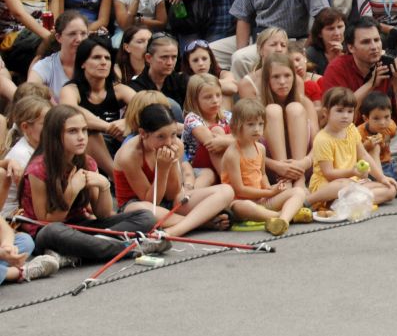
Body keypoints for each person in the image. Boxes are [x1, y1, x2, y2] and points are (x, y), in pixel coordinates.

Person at [19, 104, 161, 263]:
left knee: (145, 217)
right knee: (52, 231)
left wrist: (104, 186)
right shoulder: (38, 169)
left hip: (82, 227)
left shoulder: (87, 162)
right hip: (50, 232)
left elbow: (103, 214)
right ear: (55, 135)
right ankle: (130, 248)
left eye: (84, 130)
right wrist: (72, 191)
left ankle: (82, 250)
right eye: (72, 131)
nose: (81, 137)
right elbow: (46, 221)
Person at [112, 103, 235, 235]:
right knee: (144, 210)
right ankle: (202, 222)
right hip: (140, 206)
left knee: (226, 190)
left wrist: (170, 165)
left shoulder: (177, 145)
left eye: (173, 134)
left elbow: (173, 194)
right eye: (161, 136)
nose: (169, 142)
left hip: (168, 202)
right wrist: (162, 170)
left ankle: (177, 229)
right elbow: (152, 202)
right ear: (143, 134)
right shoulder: (129, 156)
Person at [220, 99, 308, 235]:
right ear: (237, 126)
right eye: (251, 124)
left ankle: (283, 221)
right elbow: (239, 190)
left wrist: (270, 188)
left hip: (261, 199)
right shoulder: (233, 154)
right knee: (245, 206)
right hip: (239, 202)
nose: (257, 129)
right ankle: (284, 215)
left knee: (299, 192)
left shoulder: (260, 148)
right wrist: (269, 193)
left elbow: (262, 174)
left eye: (260, 124)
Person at [307, 86, 397, 207]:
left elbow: (364, 155)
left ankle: (346, 202)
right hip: (329, 186)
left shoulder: (351, 129)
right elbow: (329, 173)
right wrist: (352, 172)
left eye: (350, 111)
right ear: (326, 112)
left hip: (352, 183)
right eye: (340, 111)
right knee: (343, 185)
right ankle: (313, 201)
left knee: (390, 189)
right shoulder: (322, 139)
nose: (345, 116)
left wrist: (382, 178)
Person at [58, 36, 134, 175]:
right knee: (90, 132)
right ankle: (117, 177)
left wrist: (127, 122)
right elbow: (71, 113)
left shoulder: (118, 90)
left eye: (107, 58)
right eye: (97, 57)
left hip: (117, 145)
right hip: (83, 151)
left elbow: (148, 107)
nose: (103, 62)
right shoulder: (71, 90)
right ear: (82, 63)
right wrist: (108, 127)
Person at [320, 19, 397, 125]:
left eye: (376, 40)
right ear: (351, 47)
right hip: (350, 131)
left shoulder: (395, 66)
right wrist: (370, 84)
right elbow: (336, 118)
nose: (374, 47)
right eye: (366, 42)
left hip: (389, 131)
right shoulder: (337, 68)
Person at [182, 73, 233, 188]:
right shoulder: (192, 118)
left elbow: (248, 138)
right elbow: (211, 142)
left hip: (227, 161)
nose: (215, 100)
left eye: (218, 95)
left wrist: (227, 141)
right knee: (217, 131)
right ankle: (230, 182)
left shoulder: (227, 116)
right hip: (198, 167)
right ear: (195, 100)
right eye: (208, 97)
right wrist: (231, 140)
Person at [29, 11, 89, 100]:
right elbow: (30, 96)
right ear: (58, 37)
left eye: (83, 33)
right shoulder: (45, 66)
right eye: (72, 34)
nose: (79, 39)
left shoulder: (97, 62)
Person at [306, 8, 346, 76]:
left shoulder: (352, 50)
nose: (337, 33)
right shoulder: (311, 54)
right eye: (331, 29)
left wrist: (342, 57)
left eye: (340, 27)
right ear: (319, 33)